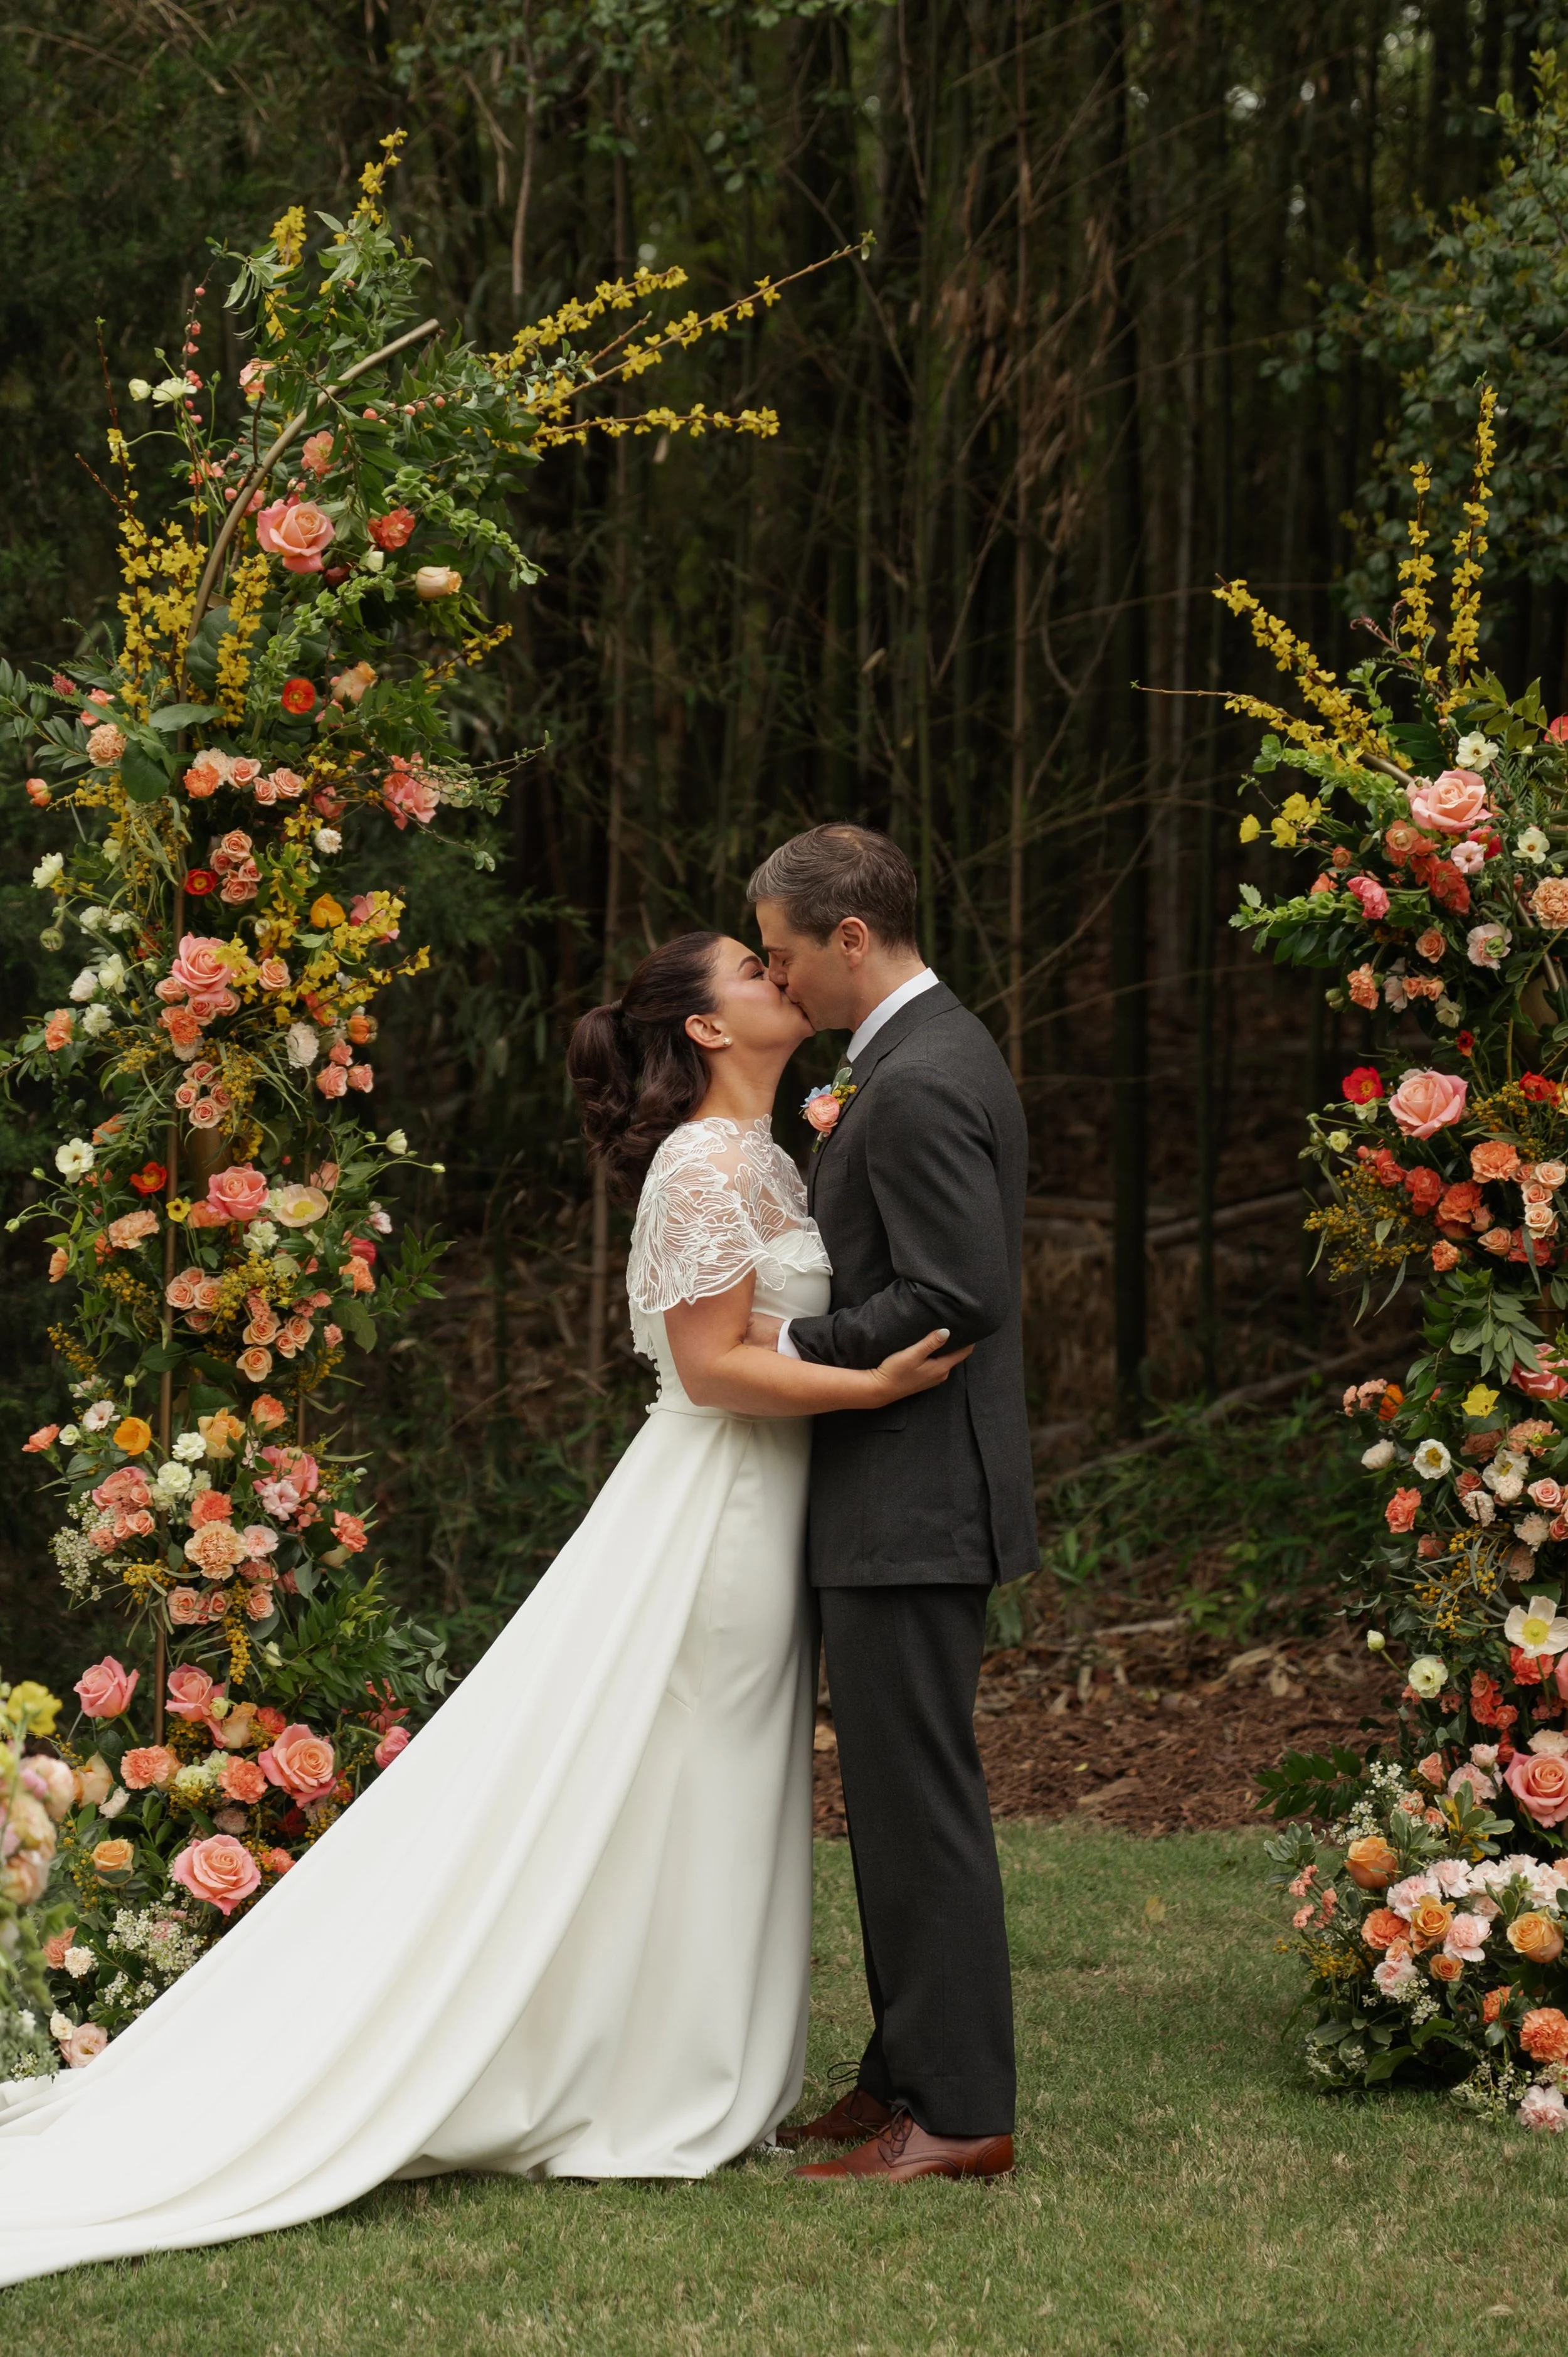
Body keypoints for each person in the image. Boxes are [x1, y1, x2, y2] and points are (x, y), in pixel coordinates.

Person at [0, 930, 967, 2288]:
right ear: (703, 1027)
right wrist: (871, 1391)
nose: (777, 976)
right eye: (753, 966)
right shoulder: (702, 1163)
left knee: (708, 1780)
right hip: (721, 1505)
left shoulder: (762, 1154)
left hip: (758, 1503)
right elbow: (712, 1369)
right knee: (687, 1773)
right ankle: (656, 2074)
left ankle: (673, 2053)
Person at [748, 824, 1034, 2184]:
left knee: (917, 1799)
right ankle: (901, 2074)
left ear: (849, 938)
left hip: (914, 1496)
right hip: (895, 1493)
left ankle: (963, 2112)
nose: (776, 979)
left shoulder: (915, 1083)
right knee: (891, 1792)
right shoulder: (914, 1058)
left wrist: (788, 1353)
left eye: (785, 953)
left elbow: (958, 1291)